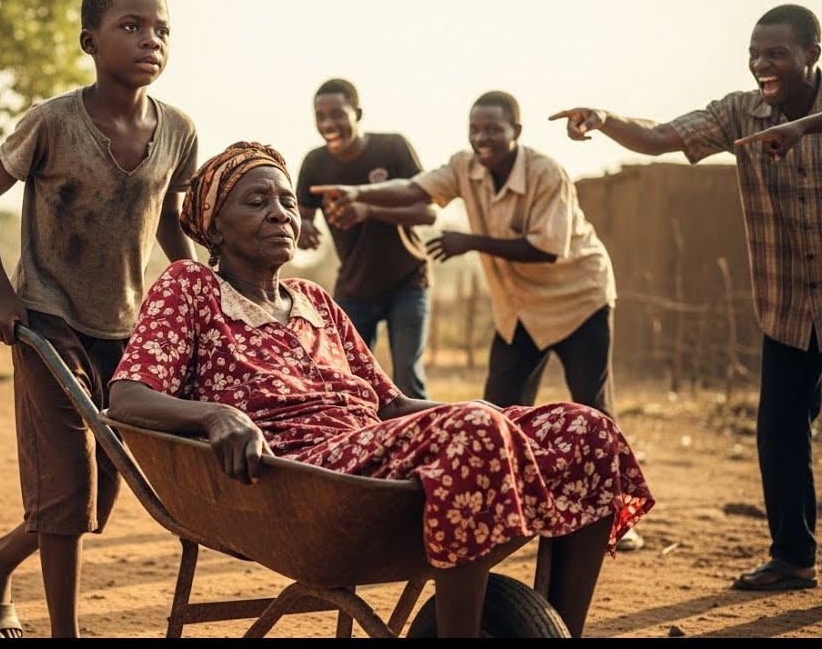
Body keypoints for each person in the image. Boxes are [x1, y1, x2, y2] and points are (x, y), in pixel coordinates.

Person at [106, 141, 654, 638]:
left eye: (286, 201)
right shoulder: (191, 288)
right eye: (255, 202)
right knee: (474, 428)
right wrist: (216, 416)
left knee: (586, 429)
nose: (279, 212)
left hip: (368, 458)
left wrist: (483, 414)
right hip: (299, 477)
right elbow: (128, 397)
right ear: (215, 227)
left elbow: (390, 403)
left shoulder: (314, 299)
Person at [549, 3, 822, 592]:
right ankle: (794, 556)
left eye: (776, 53)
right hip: (789, 305)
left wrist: (805, 127)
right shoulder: (738, 112)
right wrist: (602, 116)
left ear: (812, 55)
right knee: (779, 426)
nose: (761, 64)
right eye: (755, 53)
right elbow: (659, 135)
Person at [0, 0, 198, 638]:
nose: (149, 40)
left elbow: (169, 216)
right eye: (131, 27)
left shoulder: (178, 130)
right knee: (67, 497)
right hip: (44, 319)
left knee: (97, 500)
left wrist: (195, 282)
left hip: (124, 331)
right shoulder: (53, 122)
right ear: (91, 42)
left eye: (161, 29)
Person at [312, 90, 645, 552]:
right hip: (520, 308)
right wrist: (359, 194)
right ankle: (505, 512)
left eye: (493, 129)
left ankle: (613, 521)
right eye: (475, 129)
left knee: (592, 403)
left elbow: (548, 248)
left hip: (578, 299)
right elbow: (416, 189)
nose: (482, 138)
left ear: (517, 132)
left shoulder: (546, 173)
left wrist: (469, 241)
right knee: (500, 408)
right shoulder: (464, 167)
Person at [294, 78, 435, 398]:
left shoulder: (393, 147)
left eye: (337, 114)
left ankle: (418, 445)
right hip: (355, 287)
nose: (328, 123)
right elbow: (301, 220)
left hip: (408, 281)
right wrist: (303, 230)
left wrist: (367, 210)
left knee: (408, 381)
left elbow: (427, 212)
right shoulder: (315, 163)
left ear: (357, 112)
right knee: (347, 379)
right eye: (320, 115)